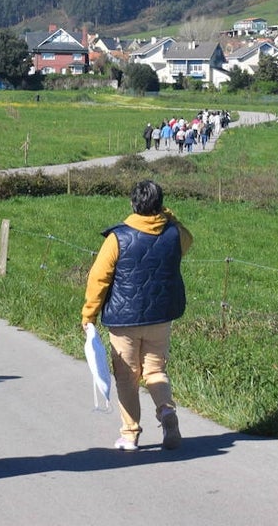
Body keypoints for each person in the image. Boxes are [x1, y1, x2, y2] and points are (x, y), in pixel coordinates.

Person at [81, 179, 192, 452]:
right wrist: (169, 216)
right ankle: (166, 412)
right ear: (161, 204)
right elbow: (187, 241)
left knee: (127, 376)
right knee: (155, 370)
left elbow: (98, 278)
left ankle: (130, 434)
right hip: (161, 316)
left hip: (123, 320)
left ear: (133, 203)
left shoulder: (117, 237)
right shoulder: (174, 234)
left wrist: (89, 316)